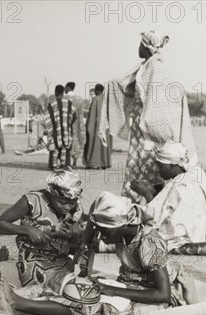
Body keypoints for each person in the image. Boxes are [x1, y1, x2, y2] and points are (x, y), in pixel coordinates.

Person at [0, 191, 197, 315]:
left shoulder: (149, 242)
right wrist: (87, 236)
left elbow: (163, 294)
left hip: (152, 300)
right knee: (76, 293)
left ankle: (19, 304)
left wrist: (113, 290)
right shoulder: (123, 230)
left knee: (92, 307)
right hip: (129, 285)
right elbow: (89, 228)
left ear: (123, 225)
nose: (100, 234)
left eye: (104, 230)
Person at [98, 31, 198, 203]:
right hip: (153, 137)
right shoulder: (152, 69)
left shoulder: (153, 71)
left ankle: (131, 215)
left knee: (138, 180)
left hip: (146, 137)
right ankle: (150, 210)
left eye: (140, 45)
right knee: (158, 180)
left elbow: (158, 105)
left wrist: (149, 126)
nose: (138, 48)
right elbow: (119, 83)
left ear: (145, 47)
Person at [0, 169, 86, 293]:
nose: (68, 206)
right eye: (63, 202)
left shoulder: (76, 208)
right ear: (52, 193)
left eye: (72, 203)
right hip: (34, 261)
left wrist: (80, 241)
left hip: (62, 261)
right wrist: (27, 230)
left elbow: (76, 237)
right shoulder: (32, 200)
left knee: (81, 286)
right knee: (62, 289)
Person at [130, 141, 206, 250]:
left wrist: (146, 193)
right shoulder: (195, 172)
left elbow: (154, 217)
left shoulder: (178, 184)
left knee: (134, 230)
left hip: (185, 237)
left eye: (160, 166)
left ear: (172, 165)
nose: (158, 170)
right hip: (198, 231)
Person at [45, 85, 77, 170]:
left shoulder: (52, 104)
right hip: (66, 130)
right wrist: (68, 125)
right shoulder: (69, 103)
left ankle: (53, 165)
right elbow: (74, 116)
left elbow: (47, 118)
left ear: (56, 92)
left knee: (54, 147)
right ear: (63, 92)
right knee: (65, 147)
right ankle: (65, 164)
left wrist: (50, 129)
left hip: (55, 131)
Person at [84, 84, 112, 169]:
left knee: (95, 144)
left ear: (98, 90)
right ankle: (104, 163)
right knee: (104, 144)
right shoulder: (107, 100)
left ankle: (94, 163)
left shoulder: (95, 99)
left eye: (95, 90)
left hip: (97, 127)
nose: (94, 92)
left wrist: (89, 127)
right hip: (106, 127)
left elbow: (92, 115)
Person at [65, 82, 86, 168]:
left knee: (66, 141)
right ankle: (75, 162)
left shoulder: (64, 98)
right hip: (77, 124)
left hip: (66, 124)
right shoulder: (80, 99)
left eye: (65, 87)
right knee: (76, 142)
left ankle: (67, 162)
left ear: (68, 87)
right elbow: (81, 114)